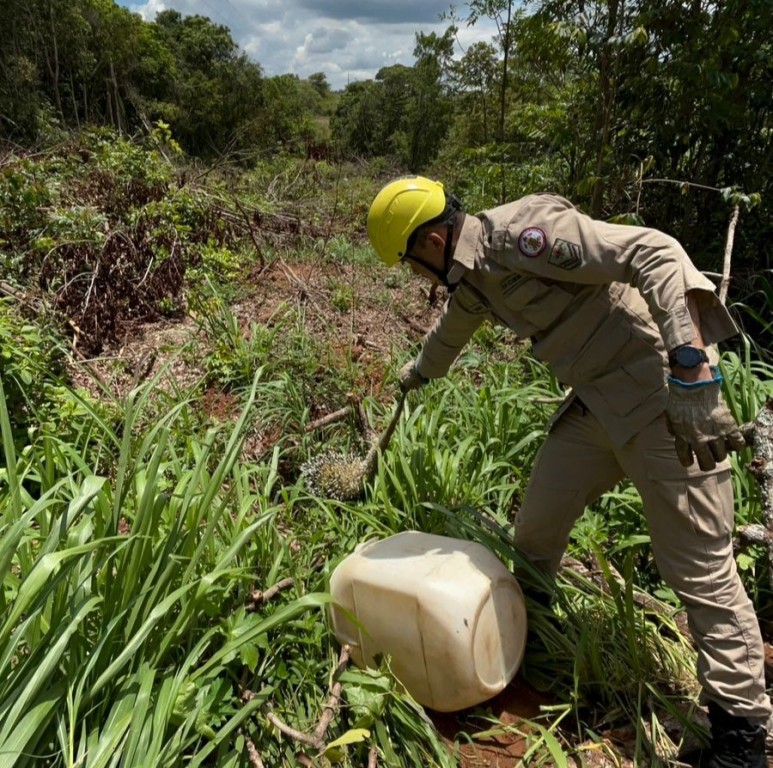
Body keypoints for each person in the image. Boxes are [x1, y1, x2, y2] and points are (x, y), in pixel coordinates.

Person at [366, 176, 770, 767]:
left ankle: (741, 735)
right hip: (595, 407)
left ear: (430, 242)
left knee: (700, 570)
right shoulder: (474, 280)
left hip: (662, 403)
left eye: (409, 263)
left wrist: (691, 368)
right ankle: (529, 646)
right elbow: (450, 333)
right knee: (535, 530)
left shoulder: (520, 235)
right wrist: (416, 375)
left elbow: (653, 251)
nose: (414, 277)